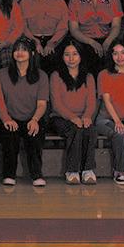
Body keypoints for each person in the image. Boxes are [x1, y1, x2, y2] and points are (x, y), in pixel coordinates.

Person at [0, 39, 49, 189]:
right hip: (9, 117)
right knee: (9, 137)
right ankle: (8, 174)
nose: (19, 53)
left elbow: (42, 104)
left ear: (32, 53)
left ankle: (37, 174)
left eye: (24, 50)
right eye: (17, 49)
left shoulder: (41, 75)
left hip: (33, 117)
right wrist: (6, 119)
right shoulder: (2, 74)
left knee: (34, 136)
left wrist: (35, 120)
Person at [50, 41, 99, 186]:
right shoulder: (56, 76)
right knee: (75, 129)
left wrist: (87, 116)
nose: (71, 58)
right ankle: (72, 171)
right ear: (62, 57)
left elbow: (91, 102)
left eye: (75, 54)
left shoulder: (88, 77)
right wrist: (72, 117)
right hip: (60, 117)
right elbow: (56, 104)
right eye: (67, 55)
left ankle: (88, 170)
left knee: (91, 130)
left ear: (81, 56)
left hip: (83, 117)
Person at [95, 41, 124, 186]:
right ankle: (119, 170)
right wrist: (117, 122)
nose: (119, 57)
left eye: (123, 53)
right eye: (115, 53)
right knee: (119, 132)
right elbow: (107, 101)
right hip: (106, 119)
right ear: (111, 56)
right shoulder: (104, 74)